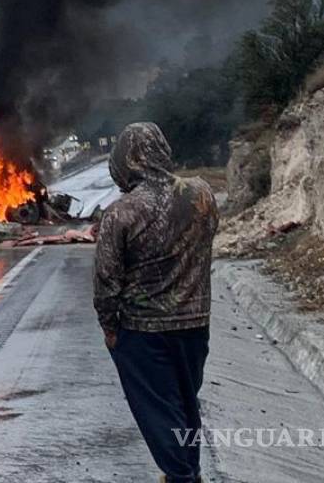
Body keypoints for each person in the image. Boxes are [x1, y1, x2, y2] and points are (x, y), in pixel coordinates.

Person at [94, 122, 219, 483]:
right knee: (185, 403)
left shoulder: (121, 212)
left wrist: (109, 327)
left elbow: (106, 280)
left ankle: (182, 477)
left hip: (143, 332)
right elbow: (207, 239)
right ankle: (188, 471)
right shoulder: (202, 194)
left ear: (125, 160)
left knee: (158, 412)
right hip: (196, 325)